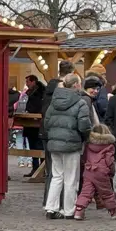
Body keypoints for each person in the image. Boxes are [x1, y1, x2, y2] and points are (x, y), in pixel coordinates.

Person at [42, 72, 93, 219]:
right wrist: (85, 137)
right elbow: (84, 125)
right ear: (76, 85)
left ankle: (51, 208)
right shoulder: (80, 102)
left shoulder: (54, 101)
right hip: (72, 143)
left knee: (56, 176)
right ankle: (69, 210)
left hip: (54, 143)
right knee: (71, 178)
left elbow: (47, 123)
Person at [73, 123, 116, 221]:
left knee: (86, 192)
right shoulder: (109, 146)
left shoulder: (88, 144)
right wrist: (111, 171)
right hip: (102, 172)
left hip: (89, 170)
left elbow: (84, 157)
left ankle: (79, 210)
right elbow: (110, 161)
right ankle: (113, 211)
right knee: (107, 192)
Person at [21, 74, 46, 178]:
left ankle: (41, 170)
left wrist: (31, 112)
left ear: (33, 82)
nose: (26, 84)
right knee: (33, 146)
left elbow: (38, 106)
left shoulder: (41, 93)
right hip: (30, 123)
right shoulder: (31, 92)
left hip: (37, 123)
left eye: (28, 82)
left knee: (39, 146)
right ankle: (35, 168)